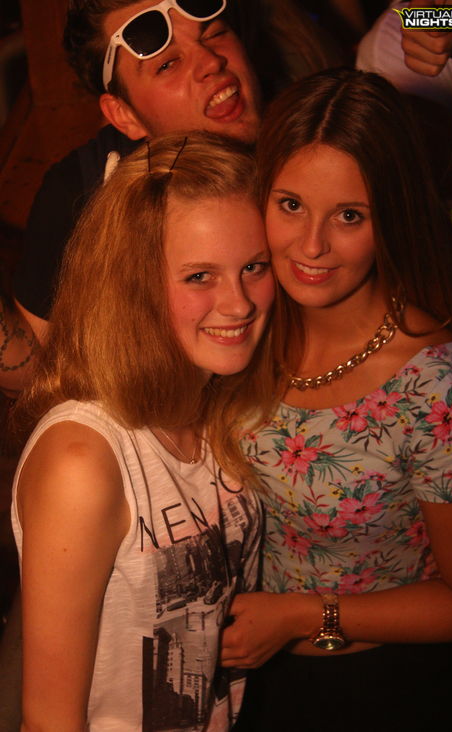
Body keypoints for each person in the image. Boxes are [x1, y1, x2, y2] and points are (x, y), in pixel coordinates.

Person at [219, 69, 452, 732]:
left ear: (389, 218)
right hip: (248, 681)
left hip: (379, 691)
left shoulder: (438, 384)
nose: (312, 245)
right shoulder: (241, 323)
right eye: (290, 205)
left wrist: (303, 616)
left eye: (349, 216)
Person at [10, 131, 277, 731]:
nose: (239, 303)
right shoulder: (83, 458)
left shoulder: (216, 407)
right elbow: (49, 720)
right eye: (200, 276)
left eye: (253, 267)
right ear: (135, 285)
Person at [1, 0, 333, 397]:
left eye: (214, 33)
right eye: (168, 64)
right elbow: (30, 371)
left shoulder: (316, 141)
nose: (210, 61)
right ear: (124, 115)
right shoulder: (84, 189)